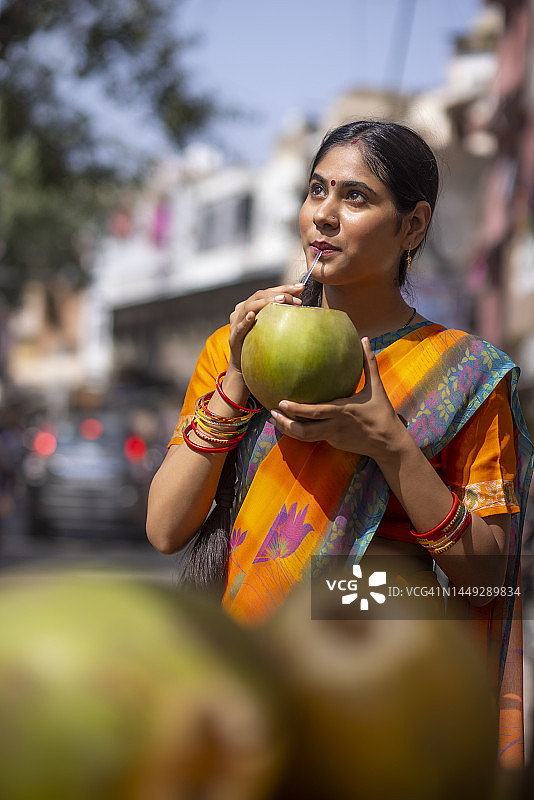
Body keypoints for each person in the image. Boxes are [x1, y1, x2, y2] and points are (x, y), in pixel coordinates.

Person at [147, 120, 533, 767]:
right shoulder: (235, 347)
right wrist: (240, 380)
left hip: (381, 696)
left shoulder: (465, 375)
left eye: (355, 197)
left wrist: (391, 445)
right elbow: (164, 528)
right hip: (244, 679)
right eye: (316, 190)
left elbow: (488, 574)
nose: (323, 215)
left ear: (413, 227)